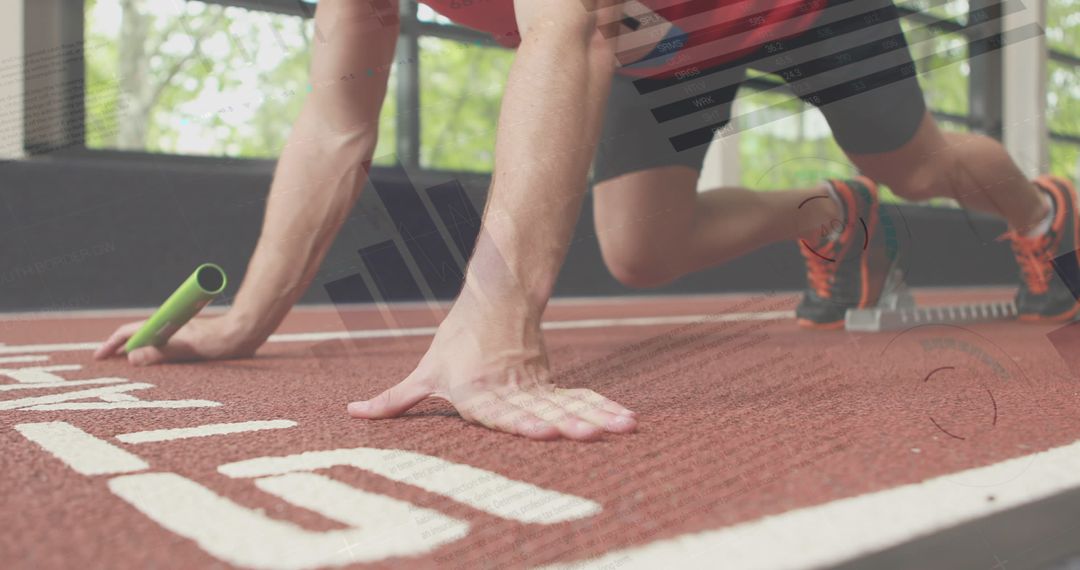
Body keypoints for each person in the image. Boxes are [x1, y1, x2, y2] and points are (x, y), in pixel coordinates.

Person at [95, 0, 1079, 441]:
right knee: (641, 250)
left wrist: (499, 331)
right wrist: (244, 320)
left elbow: (562, 28)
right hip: (664, 38)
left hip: (803, 8)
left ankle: (1041, 210)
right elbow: (338, 121)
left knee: (917, 165)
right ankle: (825, 217)